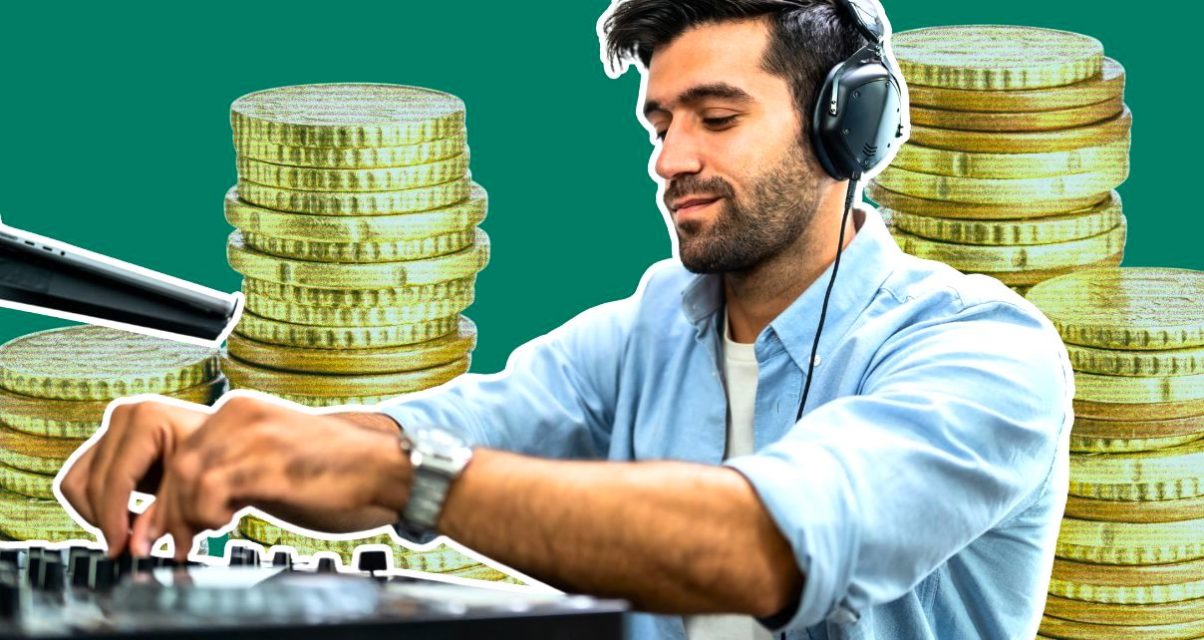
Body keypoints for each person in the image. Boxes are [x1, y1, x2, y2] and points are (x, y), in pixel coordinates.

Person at [60, 1, 1074, 638]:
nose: (669, 160)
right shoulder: (648, 326)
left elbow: (765, 545)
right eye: (660, 123)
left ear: (844, 125)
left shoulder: (983, 353)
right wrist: (254, 443)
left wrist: (393, 474)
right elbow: (454, 426)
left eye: (715, 119)